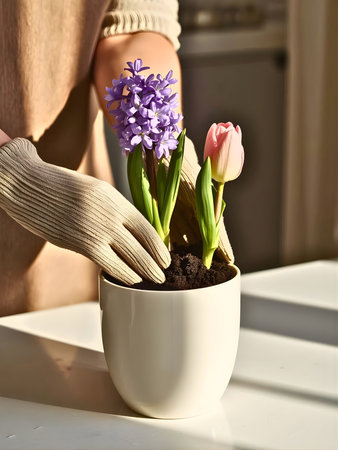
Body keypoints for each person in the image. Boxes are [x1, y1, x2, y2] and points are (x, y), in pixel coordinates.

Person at [0, 0, 233, 316]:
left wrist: (158, 135)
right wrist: (16, 176)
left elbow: (129, 32)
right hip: (51, 198)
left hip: (69, 248)